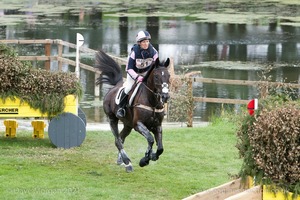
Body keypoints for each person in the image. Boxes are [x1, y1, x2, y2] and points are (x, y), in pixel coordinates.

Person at [116, 30, 159, 118]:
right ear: (139, 43)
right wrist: (137, 77)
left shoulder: (154, 52)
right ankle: (121, 108)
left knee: (157, 88)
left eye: (147, 41)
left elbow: (156, 67)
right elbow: (129, 68)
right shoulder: (134, 53)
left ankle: (159, 109)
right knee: (128, 88)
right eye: (143, 42)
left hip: (147, 74)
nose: (146, 44)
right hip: (134, 73)